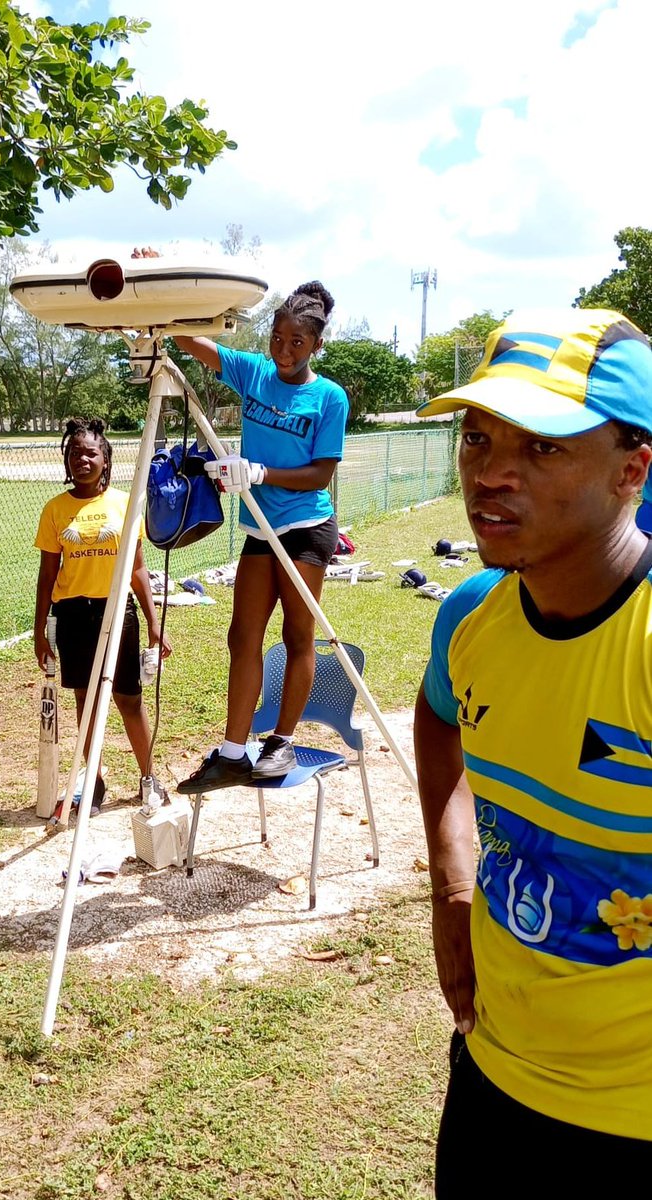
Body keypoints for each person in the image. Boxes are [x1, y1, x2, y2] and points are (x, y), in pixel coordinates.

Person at [413, 309, 652, 1194]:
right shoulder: (471, 616)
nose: (492, 474)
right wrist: (452, 883)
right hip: (493, 1075)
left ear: (634, 468)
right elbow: (440, 720)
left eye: (545, 448)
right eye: (478, 438)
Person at [172, 281, 348, 792]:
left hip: (305, 527)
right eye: (277, 338)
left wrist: (259, 473)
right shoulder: (253, 373)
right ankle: (232, 754)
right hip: (259, 527)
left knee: (297, 636)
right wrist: (167, 294)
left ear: (317, 345)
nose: (284, 351)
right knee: (241, 636)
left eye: (297, 342)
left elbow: (320, 474)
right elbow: (189, 342)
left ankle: (280, 742)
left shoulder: (328, 397)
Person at [34, 417, 172, 814]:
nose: (82, 459)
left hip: (117, 611)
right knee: (86, 700)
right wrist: (41, 628)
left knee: (129, 699)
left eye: (91, 452)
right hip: (74, 613)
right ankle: (92, 782)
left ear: (106, 460)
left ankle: (149, 779)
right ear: (67, 461)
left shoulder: (125, 504)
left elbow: (137, 568)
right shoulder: (55, 510)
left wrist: (152, 622)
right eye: (74, 453)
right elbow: (47, 576)